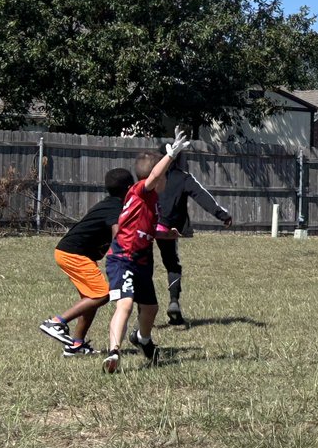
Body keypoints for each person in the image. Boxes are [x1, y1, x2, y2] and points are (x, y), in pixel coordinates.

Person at [103, 129, 190, 374]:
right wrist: (170, 155)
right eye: (165, 177)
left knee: (150, 308)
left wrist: (166, 234)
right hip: (122, 259)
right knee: (126, 305)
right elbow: (154, 175)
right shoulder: (141, 191)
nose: (166, 181)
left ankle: (142, 338)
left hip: (142, 262)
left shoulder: (151, 204)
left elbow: (148, 231)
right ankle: (114, 351)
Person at [39, 167, 135, 357]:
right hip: (73, 253)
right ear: (130, 188)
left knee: (90, 299)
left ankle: (76, 345)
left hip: (71, 252)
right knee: (102, 294)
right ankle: (56, 322)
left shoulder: (111, 204)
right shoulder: (116, 207)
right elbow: (118, 235)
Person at [155, 154, 233, 326]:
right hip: (168, 227)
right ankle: (173, 300)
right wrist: (223, 215)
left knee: (142, 267)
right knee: (172, 264)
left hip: (145, 226)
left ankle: (142, 314)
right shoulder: (183, 178)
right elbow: (203, 197)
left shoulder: (150, 177)